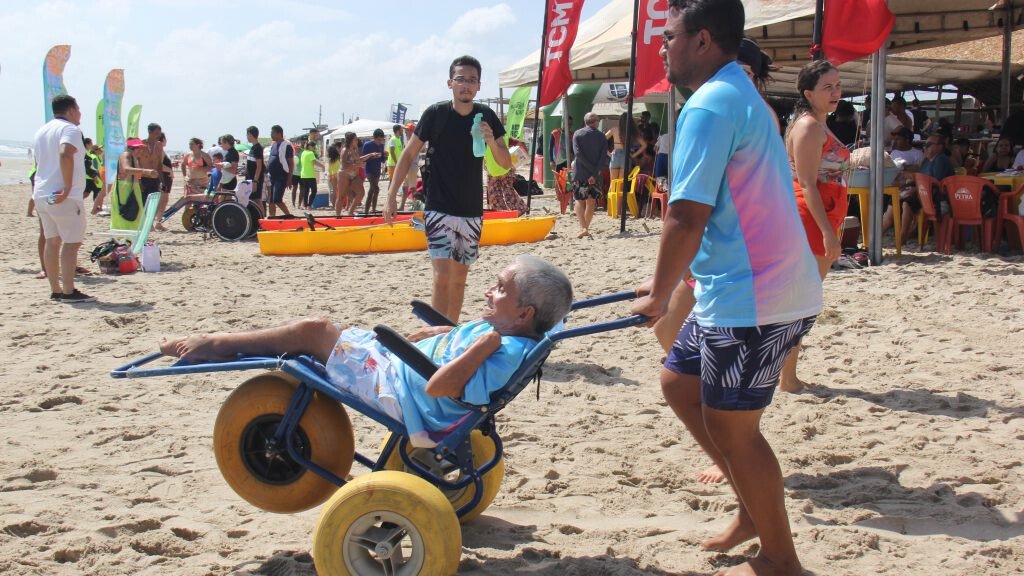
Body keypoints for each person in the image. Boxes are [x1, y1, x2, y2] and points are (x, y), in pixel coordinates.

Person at [630, 3, 822, 575]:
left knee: (735, 430)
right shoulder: (737, 86)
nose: (661, 48)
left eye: (669, 38)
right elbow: (728, 208)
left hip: (757, 297)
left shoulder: (711, 103)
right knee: (679, 383)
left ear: (703, 40)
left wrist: (661, 293)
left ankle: (781, 559)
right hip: (744, 284)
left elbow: (687, 214)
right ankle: (749, 511)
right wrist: (667, 279)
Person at [158, 256, 572, 448]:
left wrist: (481, 345)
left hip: (400, 393)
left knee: (314, 330)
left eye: (500, 288)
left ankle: (212, 344)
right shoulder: (506, 329)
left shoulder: (500, 347)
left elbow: (440, 389)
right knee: (325, 334)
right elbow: (465, 345)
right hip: (395, 368)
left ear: (524, 314)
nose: (489, 290)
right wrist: (454, 332)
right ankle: (215, 341)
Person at [384, 55, 512, 324]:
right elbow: (408, 156)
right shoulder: (435, 114)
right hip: (439, 206)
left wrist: (491, 140)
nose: (466, 85)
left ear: (479, 85)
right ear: (450, 83)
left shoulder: (486, 116)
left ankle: (449, 332)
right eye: (461, 79)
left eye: (472, 80)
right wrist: (391, 196)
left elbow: (504, 163)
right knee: (442, 277)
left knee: (458, 280)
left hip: (471, 209)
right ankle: (436, 335)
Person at [780, 59, 848, 394]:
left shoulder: (813, 123)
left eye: (837, 85)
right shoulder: (808, 126)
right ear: (809, 93)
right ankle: (788, 378)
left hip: (818, 212)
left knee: (800, 299)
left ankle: (786, 374)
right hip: (811, 216)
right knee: (802, 300)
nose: (836, 92)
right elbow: (807, 183)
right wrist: (827, 233)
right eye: (828, 87)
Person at [32, 94, 97, 303]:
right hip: (63, 194)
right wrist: (68, 187)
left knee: (52, 241)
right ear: (70, 110)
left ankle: (56, 290)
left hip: (41, 193)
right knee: (71, 242)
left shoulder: (42, 130)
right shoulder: (70, 129)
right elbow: (65, 153)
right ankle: (68, 291)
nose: (80, 114)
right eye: (78, 109)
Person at [571, 112, 607, 238]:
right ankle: (585, 228)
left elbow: (578, 154)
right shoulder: (602, 136)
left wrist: (589, 170)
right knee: (591, 201)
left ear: (585, 122)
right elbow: (603, 158)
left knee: (579, 201)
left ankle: (583, 228)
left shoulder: (577, 134)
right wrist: (594, 172)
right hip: (595, 174)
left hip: (580, 172)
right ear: (596, 122)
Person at [606, 112, 645, 183]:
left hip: (615, 155)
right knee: (621, 184)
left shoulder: (614, 129)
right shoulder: (632, 131)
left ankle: (610, 194)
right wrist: (633, 155)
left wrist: (608, 152)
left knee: (613, 183)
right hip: (626, 156)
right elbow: (644, 145)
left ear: (620, 121)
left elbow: (602, 140)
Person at [266, 125, 294, 217]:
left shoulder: (287, 146)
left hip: (281, 176)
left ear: (279, 133)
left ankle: (289, 216)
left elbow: (291, 163)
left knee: (277, 199)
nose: (271, 134)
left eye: (272, 133)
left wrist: (289, 179)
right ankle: (272, 218)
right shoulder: (273, 145)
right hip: (272, 176)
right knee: (270, 200)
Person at [139, 123, 165, 208]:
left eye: (159, 133)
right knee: (142, 204)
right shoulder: (141, 145)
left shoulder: (159, 145)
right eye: (156, 133)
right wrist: (138, 180)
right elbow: (137, 163)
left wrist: (161, 181)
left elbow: (159, 164)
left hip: (155, 179)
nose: (158, 135)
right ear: (150, 132)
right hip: (143, 179)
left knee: (152, 205)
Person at [361, 129, 387, 214]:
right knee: (376, 189)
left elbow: (382, 160)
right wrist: (372, 156)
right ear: (374, 138)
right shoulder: (367, 145)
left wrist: (385, 156)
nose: (380, 142)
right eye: (379, 140)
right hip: (369, 170)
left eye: (381, 140)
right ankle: (369, 211)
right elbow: (363, 159)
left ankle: (370, 210)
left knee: (372, 190)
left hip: (377, 170)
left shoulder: (381, 145)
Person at [155, 132, 174, 231]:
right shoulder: (159, 149)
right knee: (161, 201)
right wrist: (170, 170)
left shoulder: (159, 150)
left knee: (163, 201)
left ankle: (158, 222)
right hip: (163, 179)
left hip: (165, 179)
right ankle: (157, 223)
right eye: (165, 139)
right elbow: (159, 165)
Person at [245, 126, 265, 212]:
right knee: (253, 200)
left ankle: (263, 221)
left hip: (255, 179)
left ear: (250, 134)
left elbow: (259, 166)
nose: (246, 136)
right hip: (250, 178)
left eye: (247, 134)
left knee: (257, 200)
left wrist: (255, 181)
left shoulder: (257, 148)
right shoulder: (252, 148)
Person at [299, 141, 323, 210]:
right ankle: (309, 205)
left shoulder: (303, 152)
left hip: (303, 175)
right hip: (310, 175)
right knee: (314, 191)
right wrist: (323, 166)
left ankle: (305, 205)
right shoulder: (310, 153)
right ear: (309, 146)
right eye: (313, 147)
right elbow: (315, 162)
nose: (314, 148)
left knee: (306, 191)